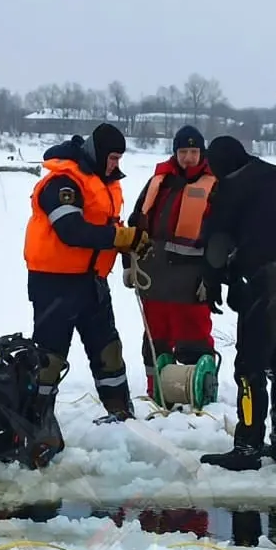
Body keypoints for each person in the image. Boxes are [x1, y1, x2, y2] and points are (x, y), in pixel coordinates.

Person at [195, 135, 276, 471]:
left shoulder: (232, 188)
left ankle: (247, 446)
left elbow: (217, 242)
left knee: (249, 368)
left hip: (267, 281)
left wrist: (213, 279)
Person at [23, 123, 150, 425]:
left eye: (120, 158)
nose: (116, 165)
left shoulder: (104, 183)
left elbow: (108, 227)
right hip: (55, 283)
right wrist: (118, 238)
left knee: (109, 351)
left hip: (92, 282)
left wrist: (128, 252)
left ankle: (120, 414)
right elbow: (71, 231)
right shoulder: (62, 183)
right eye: (113, 158)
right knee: (49, 359)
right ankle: (34, 421)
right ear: (98, 153)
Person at [122, 125, 219, 397]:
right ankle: (157, 391)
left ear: (203, 153)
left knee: (193, 337)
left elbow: (223, 237)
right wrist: (129, 266)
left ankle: (199, 391)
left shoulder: (215, 186)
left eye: (194, 151)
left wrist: (212, 278)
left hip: (191, 281)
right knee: (155, 339)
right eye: (183, 151)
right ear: (175, 152)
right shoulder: (159, 182)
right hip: (153, 277)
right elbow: (136, 224)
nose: (188, 157)